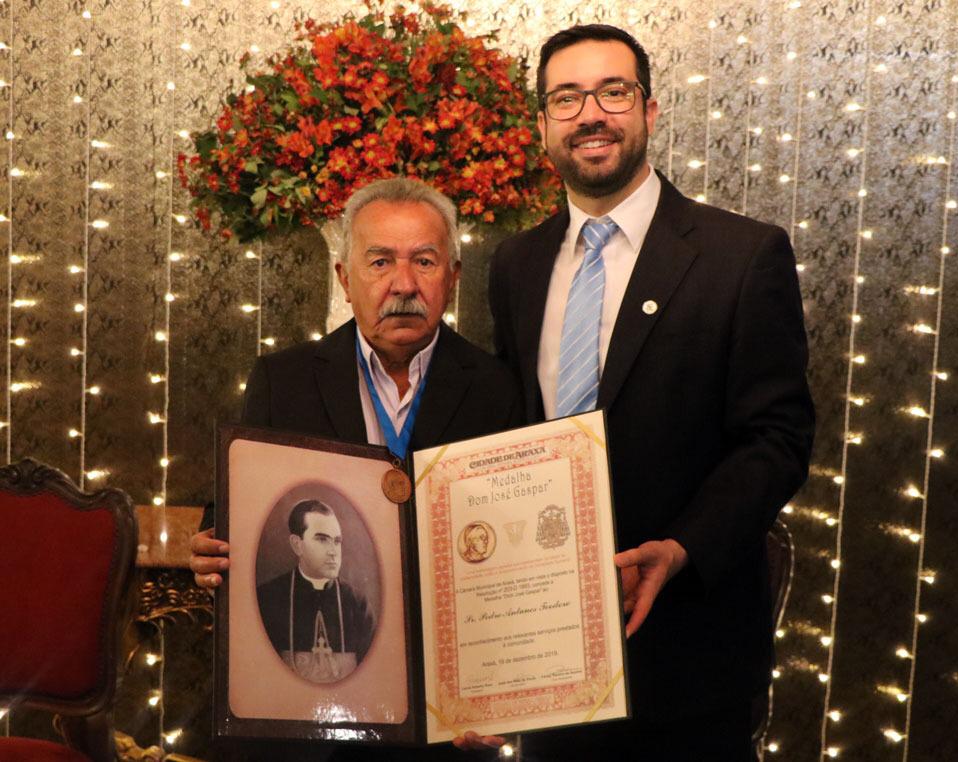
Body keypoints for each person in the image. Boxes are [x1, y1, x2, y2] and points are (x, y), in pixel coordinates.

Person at [469, 23, 815, 761]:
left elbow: (777, 440)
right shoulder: (514, 265)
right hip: (548, 656)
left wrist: (683, 548)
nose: (590, 113)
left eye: (612, 91)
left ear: (649, 112)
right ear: (542, 126)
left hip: (690, 660)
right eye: (566, 98)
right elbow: (507, 437)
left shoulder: (742, 256)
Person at [191, 177, 521, 761]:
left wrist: (501, 693)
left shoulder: (501, 389)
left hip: (442, 714)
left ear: (453, 276)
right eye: (379, 261)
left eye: (424, 261)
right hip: (307, 718)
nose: (403, 284)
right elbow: (237, 512)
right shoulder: (282, 380)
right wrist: (213, 548)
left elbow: (513, 555)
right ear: (345, 278)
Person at [256, 499, 374, 683]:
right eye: (322, 540)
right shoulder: (267, 598)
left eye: (337, 541)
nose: (333, 552)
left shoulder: (357, 603)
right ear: (297, 544)